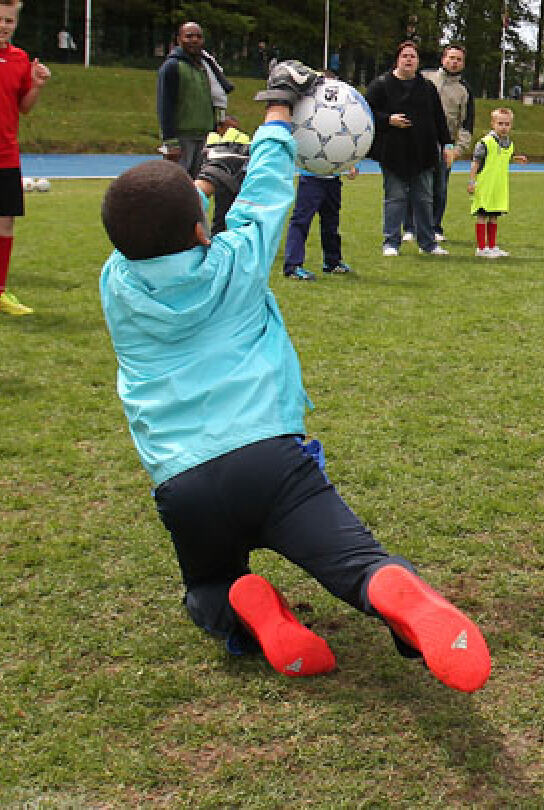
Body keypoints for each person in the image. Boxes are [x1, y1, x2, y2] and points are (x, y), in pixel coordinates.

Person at [98, 61, 491, 692]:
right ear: (201, 228)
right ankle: (391, 590)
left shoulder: (116, 285)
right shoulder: (237, 260)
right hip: (271, 462)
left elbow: (161, 226)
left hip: (185, 481)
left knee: (207, 587)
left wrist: (203, 183)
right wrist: (278, 110)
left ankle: (243, 606)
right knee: (359, 562)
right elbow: (263, 197)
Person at [366, 41, 454, 256]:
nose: (409, 60)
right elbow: (366, 113)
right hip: (393, 154)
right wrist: (388, 120)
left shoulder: (427, 87)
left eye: (413, 56)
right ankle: (391, 242)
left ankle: (428, 243)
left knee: (424, 200)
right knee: (395, 199)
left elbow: (439, 118)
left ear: (418, 61)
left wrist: (447, 144)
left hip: (423, 154)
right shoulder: (381, 85)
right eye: (405, 56)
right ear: (397, 59)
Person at [0, 0, 51, 316]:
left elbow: (24, 107)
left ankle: (0, 292)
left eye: (9, 21)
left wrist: (36, 85)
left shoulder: (20, 58)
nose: (3, 25)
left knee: (5, 224)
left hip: (6, 155)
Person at [420, 43, 474, 242]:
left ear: (463, 63)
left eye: (459, 59)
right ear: (443, 59)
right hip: (420, 142)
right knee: (416, 186)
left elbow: (467, 123)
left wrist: (458, 150)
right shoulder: (425, 78)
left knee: (440, 188)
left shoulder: (465, 90)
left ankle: (435, 227)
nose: (454, 62)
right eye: (451, 58)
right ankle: (411, 227)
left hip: (445, 146)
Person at [467, 106, 528, 258]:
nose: (504, 127)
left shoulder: (509, 144)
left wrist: (516, 158)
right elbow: (475, 162)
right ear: (493, 124)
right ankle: (481, 248)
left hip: (499, 188)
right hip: (485, 186)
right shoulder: (485, 142)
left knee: (494, 216)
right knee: (482, 215)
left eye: (507, 124)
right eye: (500, 123)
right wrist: (472, 181)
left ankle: (492, 246)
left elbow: (504, 158)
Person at [156, 21, 215, 176]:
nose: (194, 40)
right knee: (177, 183)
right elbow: (165, 105)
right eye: (189, 36)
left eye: (198, 36)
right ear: (179, 39)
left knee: (200, 184)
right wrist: (170, 141)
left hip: (204, 137)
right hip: (182, 138)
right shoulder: (172, 66)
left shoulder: (205, 66)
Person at [282, 166, 355, 280]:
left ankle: (332, 262)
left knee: (331, 222)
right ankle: (293, 267)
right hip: (311, 178)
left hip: (333, 179)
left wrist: (351, 165)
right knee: (301, 222)